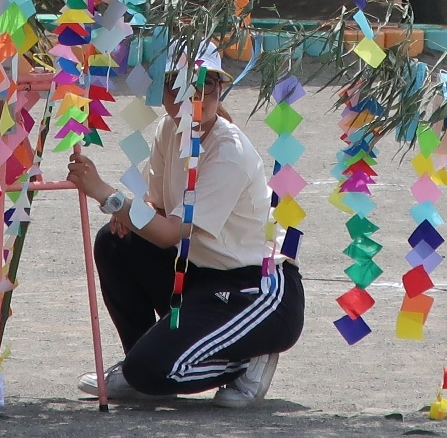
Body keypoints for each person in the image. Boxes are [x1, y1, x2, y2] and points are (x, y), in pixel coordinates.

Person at [67, 48, 302, 407]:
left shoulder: (229, 152)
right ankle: (144, 359)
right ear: (162, 93)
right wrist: (127, 214)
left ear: (219, 90)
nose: (194, 99)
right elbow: (157, 207)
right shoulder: (169, 129)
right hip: (197, 274)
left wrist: (106, 195)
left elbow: (167, 232)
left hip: (255, 287)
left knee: (149, 372)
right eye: (178, 87)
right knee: (116, 242)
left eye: (205, 87)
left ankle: (246, 356)